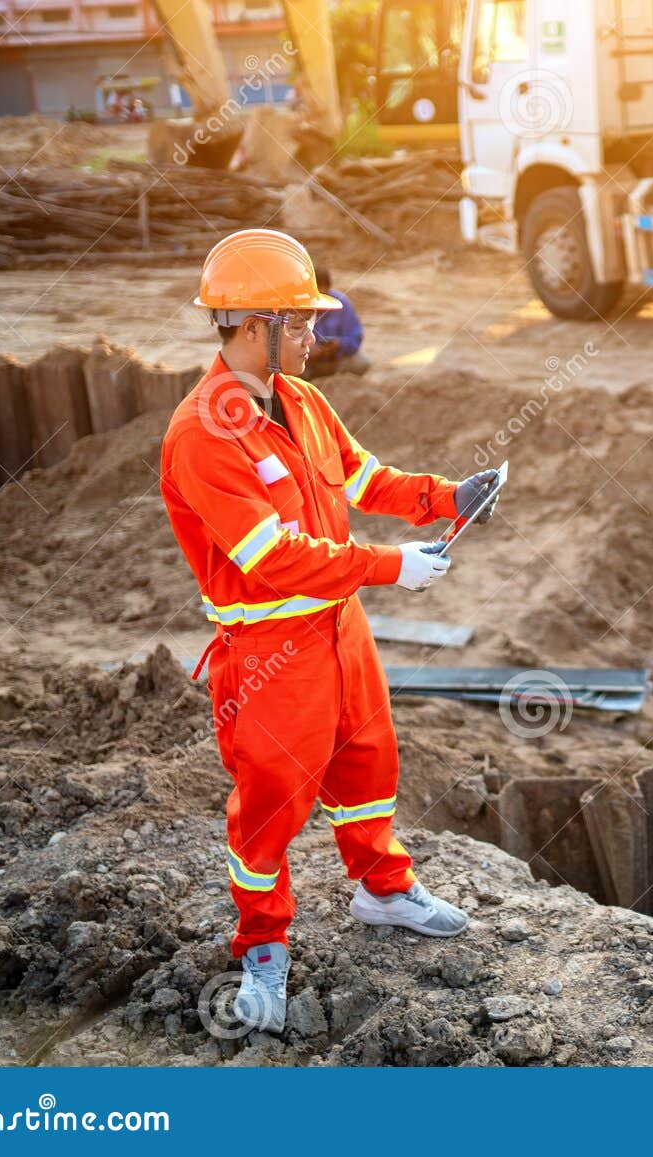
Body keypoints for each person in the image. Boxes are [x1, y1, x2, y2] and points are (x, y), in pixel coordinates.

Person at [159, 228, 502, 1033]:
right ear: (255, 326)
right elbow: (272, 557)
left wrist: (451, 498)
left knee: (367, 761)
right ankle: (264, 951)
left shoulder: (305, 402)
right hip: (270, 651)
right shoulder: (204, 433)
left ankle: (382, 890)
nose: (320, 334)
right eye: (304, 322)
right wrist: (391, 567)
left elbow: (367, 477)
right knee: (271, 806)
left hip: (338, 629)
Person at [305, 266, 371, 377]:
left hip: (337, 359)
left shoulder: (341, 303)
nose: (318, 297)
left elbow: (356, 337)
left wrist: (338, 344)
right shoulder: (300, 305)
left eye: (322, 292)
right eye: (314, 292)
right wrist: (307, 349)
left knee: (361, 363)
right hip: (309, 361)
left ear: (329, 288)